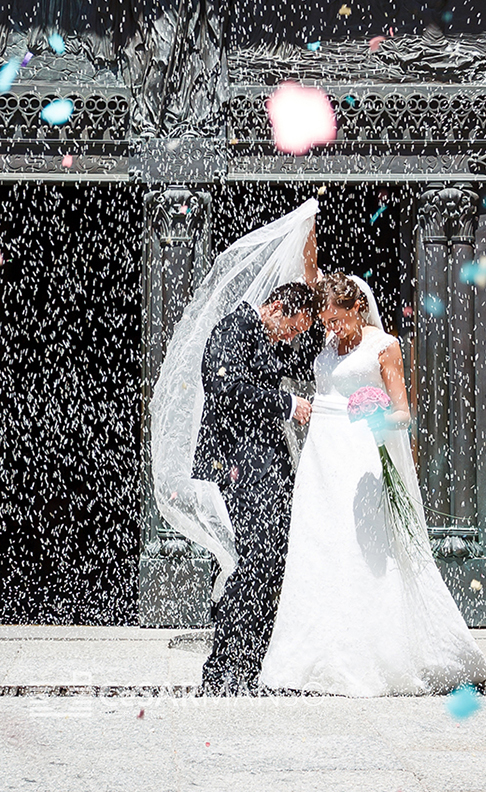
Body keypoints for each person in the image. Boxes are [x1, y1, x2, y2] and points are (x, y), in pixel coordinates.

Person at [260, 271, 486, 696]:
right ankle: (311, 654)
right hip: (321, 459)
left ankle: (370, 654)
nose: (330, 330)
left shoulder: (385, 348)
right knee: (319, 548)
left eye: (337, 320)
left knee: (361, 551)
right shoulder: (330, 343)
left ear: (357, 309)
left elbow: (403, 413)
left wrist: (376, 417)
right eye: (326, 322)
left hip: (359, 458)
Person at [192, 276, 323, 694]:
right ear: (277, 309)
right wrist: (286, 403)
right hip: (240, 465)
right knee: (258, 559)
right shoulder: (234, 329)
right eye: (293, 328)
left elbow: (298, 365)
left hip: (262, 462)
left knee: (269, 558)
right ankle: (223, 664)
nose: (291, 338)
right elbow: (224, 386)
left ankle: (249, 660)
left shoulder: (261, 336)